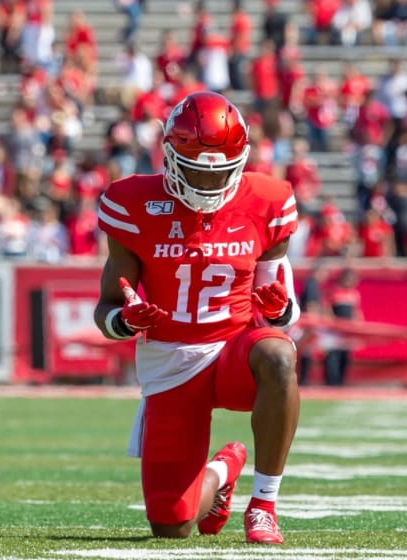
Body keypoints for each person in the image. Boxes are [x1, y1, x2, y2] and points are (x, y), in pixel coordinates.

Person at [94, 91, 301, 544]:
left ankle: (263, 504)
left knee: (279, 356)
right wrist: (126, 320)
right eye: (194, 171)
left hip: (236, 352)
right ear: (168, 156)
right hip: (171, 363)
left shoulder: (266, 199)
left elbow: (283, 308)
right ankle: (223, 470)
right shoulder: (134, 203)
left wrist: (280, 310)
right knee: (172, 525)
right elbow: (106, 308)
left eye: (219, 174)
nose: (207, 186)